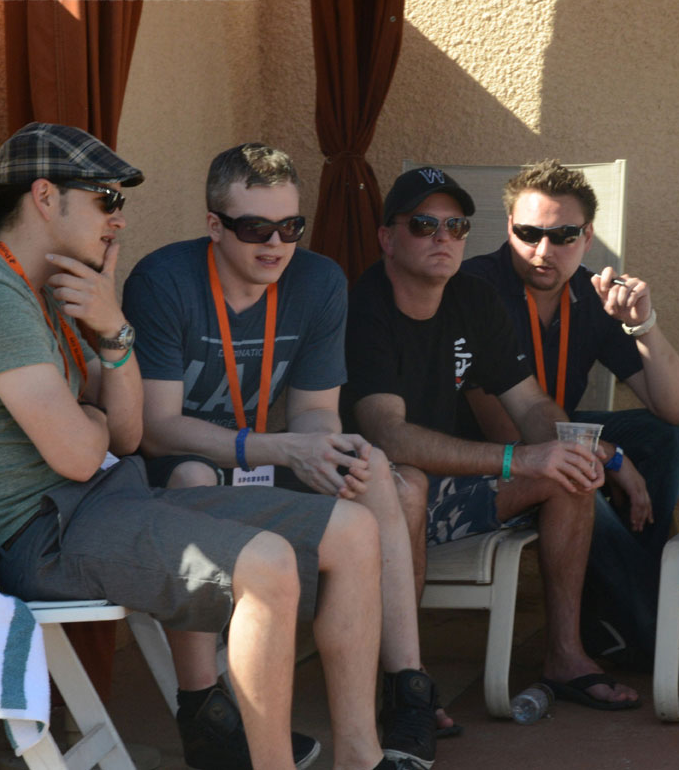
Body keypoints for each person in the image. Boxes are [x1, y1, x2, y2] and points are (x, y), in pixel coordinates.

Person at [0, 123, 404, 770]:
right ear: (46, 197)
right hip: (47, 533)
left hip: (104, 502)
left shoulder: (45, 294)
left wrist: (112, 333)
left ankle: (360, 757)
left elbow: (126, 432)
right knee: (269, 564)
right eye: (106, 200)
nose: (118, 219)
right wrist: (92, 413)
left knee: (354, 528)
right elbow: (85, 451)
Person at [122, 143, 445, 770]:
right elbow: (157, 430)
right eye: (255, 229)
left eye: (291, 227)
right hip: (185, 459)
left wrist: (324, 445)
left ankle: (405, 689)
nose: (275, 244)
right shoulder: (163, 280)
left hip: (263, 450)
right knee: (190, 476)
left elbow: (315, 411)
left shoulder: (319, 280)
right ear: (215, 226)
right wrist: (278, 447)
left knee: (369, 469)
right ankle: (204, 707)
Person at [345, 166, 639, 711]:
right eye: (424, 224)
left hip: (448, 492)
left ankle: (565, 656)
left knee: (566, 472)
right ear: (388, 237)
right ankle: (404, 683)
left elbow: (528, 405)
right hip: (372, 499)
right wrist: (520, 458)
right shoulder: (366, 306)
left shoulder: (473, 299)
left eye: (456, 227)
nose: (442, 238)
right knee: (407, 480)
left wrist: (587, 451)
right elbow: (388, 435)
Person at [458, 159, 679, 684]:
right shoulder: (477, 287)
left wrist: (644, 326)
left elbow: (678, 408)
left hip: (554, 435)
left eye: (563, 235)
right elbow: (502, 429)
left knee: (669, 438)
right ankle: (669, 630)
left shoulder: (590, 295)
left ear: (587, 236)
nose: (543, 250)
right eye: (528, 233)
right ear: (509, 229)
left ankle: (615, 619)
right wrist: (610, 457)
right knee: (582, 475)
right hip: (484, 455)